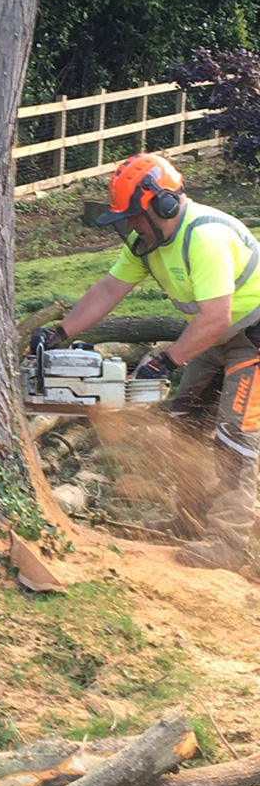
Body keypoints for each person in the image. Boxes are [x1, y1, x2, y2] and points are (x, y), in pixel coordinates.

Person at [30, 153, 260, 572]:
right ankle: (190, 520)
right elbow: (108, 289)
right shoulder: (147, 243)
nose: (131, 224)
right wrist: (60, 331)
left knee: (235, 437)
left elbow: (216, 317)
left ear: (164, 204)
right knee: (184, 422)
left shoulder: (205, 237)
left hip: (253, 338)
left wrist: (166, 361)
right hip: (216, 335)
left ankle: (230, 544)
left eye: (136, 215)